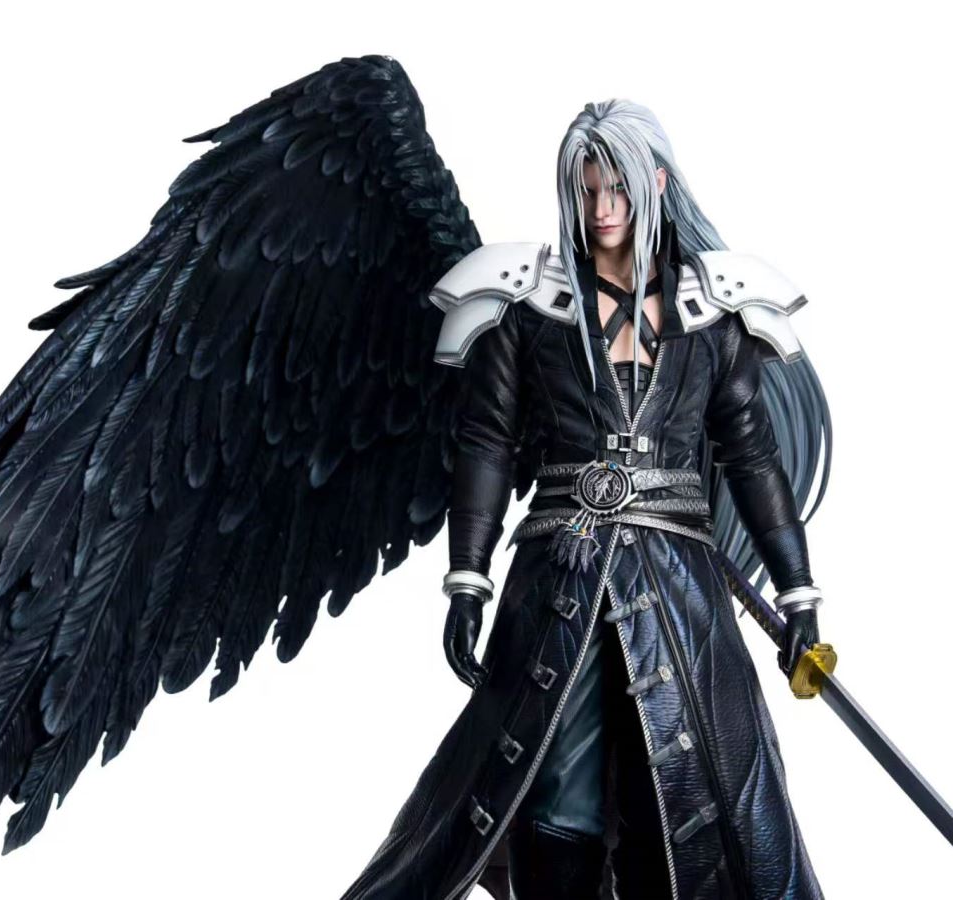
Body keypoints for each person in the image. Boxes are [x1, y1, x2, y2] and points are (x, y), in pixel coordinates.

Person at [345, 99, 830, 900]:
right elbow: (487, 442)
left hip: (680, 588)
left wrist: (798, 593)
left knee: (684, 789)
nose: (602, 210)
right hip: (558, 582)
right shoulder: (526, 304)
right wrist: (468, 581)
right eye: (588, 190)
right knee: (550, 785)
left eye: (619, 191)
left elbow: (750, 456)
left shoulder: (714, 311)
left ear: (656, 185)